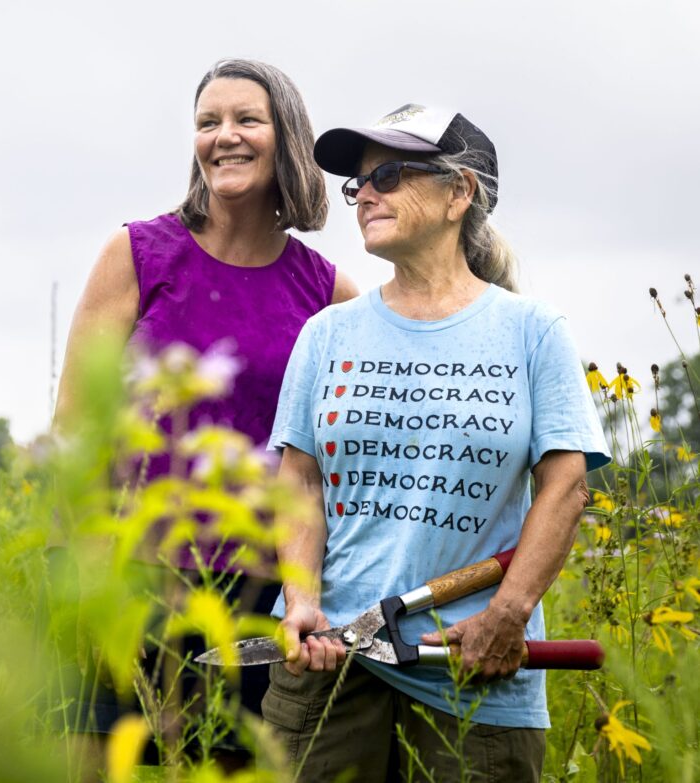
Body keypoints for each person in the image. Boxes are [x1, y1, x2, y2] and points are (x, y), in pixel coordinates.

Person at [262, 104, 610, 781]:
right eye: (357, 184)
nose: (365, 194)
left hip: (471, 663)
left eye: (388, 174)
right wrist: (301, 598)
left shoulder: (532, 332)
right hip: (330, 661)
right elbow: (299, 481)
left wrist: (508, 613)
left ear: (460, 192)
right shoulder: (326, 334)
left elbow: (565, 486)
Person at [53, 58, 358, 754]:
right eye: (208, 122)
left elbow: (342, 452)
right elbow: (75, 421)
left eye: (246, 119)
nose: (225, 135)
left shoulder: (329, 292)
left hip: (256, 595)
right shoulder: (136, 254)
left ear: (285, 136)